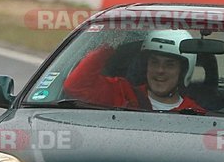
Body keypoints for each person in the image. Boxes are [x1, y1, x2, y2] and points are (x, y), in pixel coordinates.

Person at [63, 30, 206, 112]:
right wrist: (110, 45)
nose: (160, 70)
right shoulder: (123, 92)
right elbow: (75, 86)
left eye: (170, 65)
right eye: (154, 62)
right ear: (146, 66)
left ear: (183, 72)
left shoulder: (195, 113)